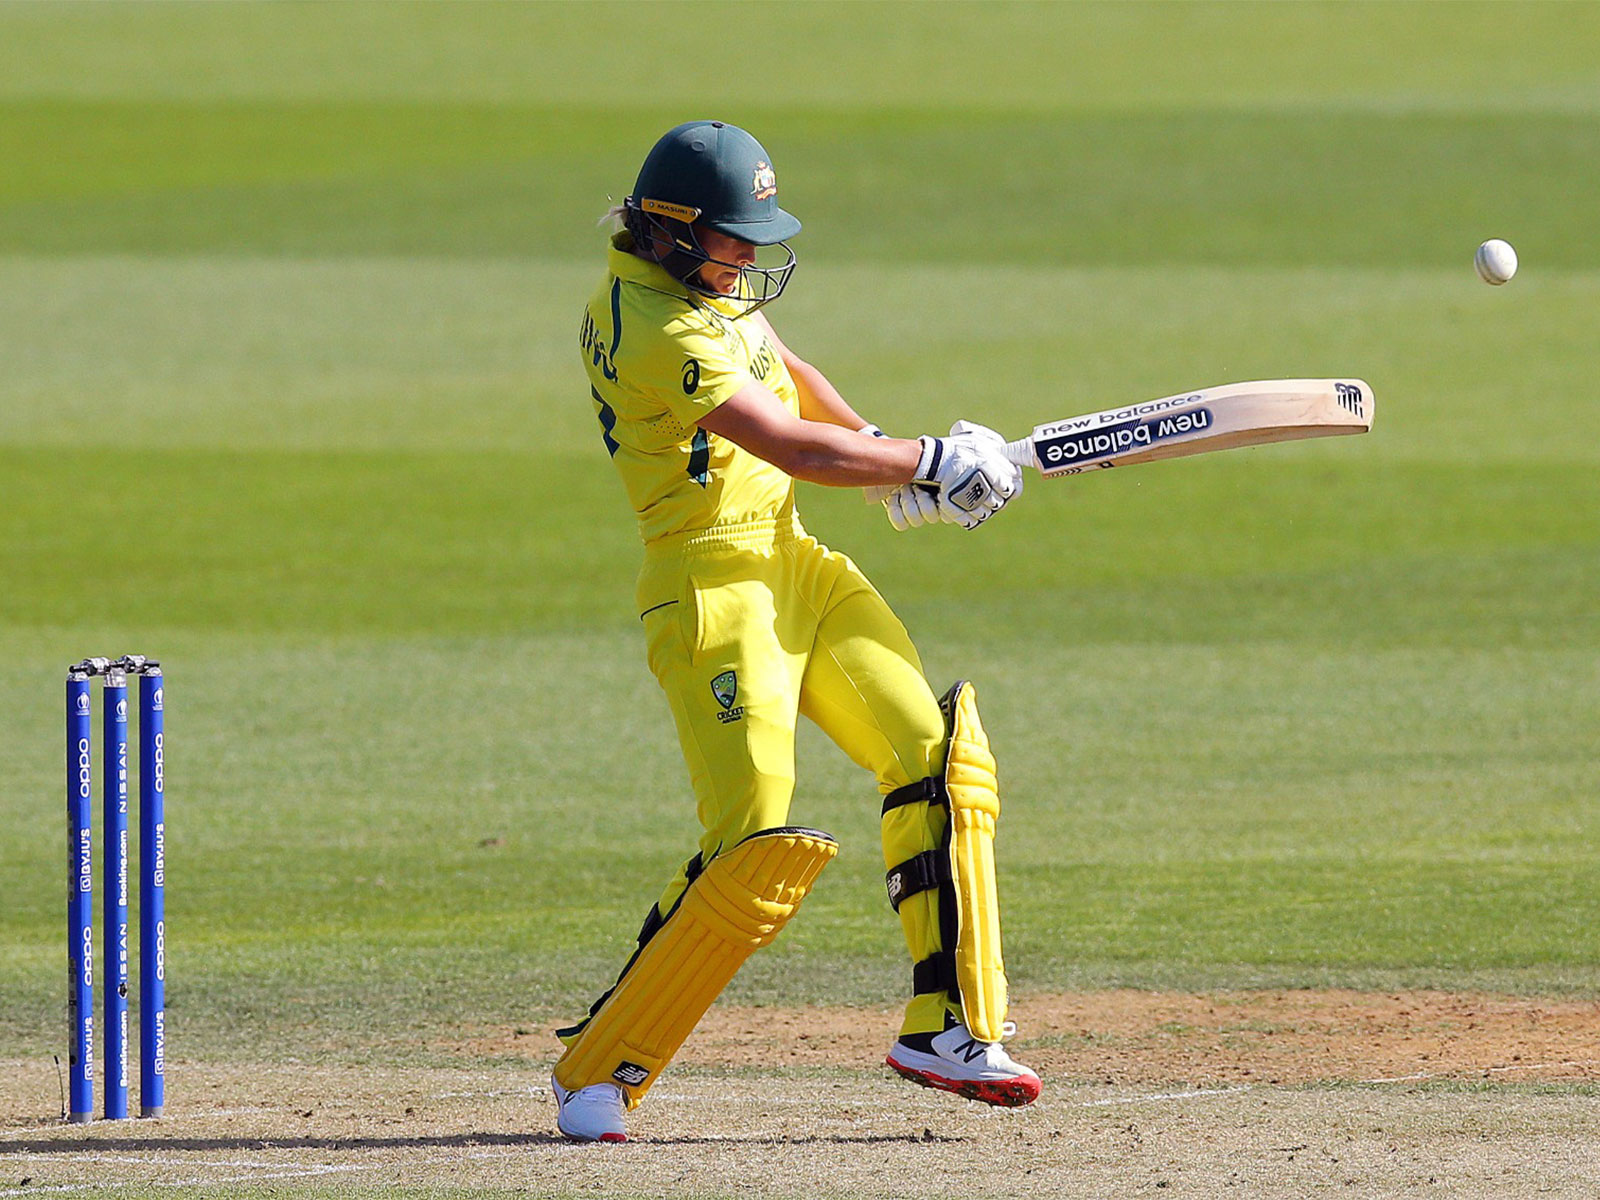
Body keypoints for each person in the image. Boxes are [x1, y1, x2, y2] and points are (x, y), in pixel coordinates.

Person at [557, 120, 1037, 1143]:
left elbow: (791, 372)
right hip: (708, 587)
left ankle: (950, 1028)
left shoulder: (708, 295)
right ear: (673, 232)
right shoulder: (653, 325)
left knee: (936, 756)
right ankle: (602, 1066)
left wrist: (880, 446)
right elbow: (777, 438)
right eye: (735, 238)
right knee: (754, 843)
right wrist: (922, 462)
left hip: (793, 561)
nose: (750, 257)